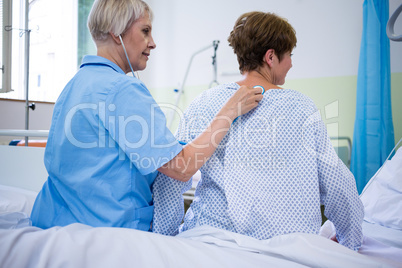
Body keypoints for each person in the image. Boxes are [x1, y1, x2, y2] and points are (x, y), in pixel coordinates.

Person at [30, 0, 263, 231]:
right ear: (116, 31)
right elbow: (182, 167)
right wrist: (230, 111)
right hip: (106, 231)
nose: (153, 43)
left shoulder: (75, 84)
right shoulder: (123, 89)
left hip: (51, 222)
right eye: (145, 31)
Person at [152, 11, 364, 251]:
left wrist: (164, 241)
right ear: (271, 57)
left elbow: (170, 179)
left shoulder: (204, 103)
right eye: (289, 55)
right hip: (289, 247)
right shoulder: (301, 107)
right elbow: (338, 185)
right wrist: (351, 243)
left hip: (209, 244)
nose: (292, 63)